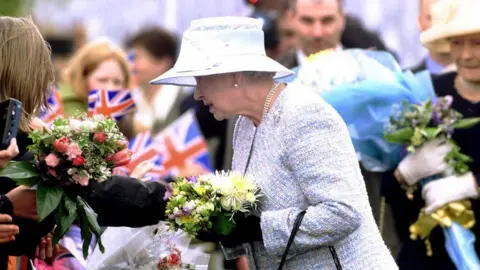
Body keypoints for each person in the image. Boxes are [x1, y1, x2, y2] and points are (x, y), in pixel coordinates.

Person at [151, 16, 397, 269]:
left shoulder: (303, 114)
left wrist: (258, 229)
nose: (197, 94)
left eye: (200, 79)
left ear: (234, 74)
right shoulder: (245, 124)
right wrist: (220, 221)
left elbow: (343, 212)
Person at [0, 15, 169, 268]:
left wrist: (31, 232)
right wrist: (170, 199)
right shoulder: (29, 133)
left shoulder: (24, 128)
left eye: (117, 82)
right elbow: (94, 193)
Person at [382, 0, 480, 269]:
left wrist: (473, 184)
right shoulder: (427, 93)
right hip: (427, 253)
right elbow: (387, 192)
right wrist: (405, 173)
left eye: (477, 43)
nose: (467, 55)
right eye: (458, 43)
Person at [277, 0, 392, 69]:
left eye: (327, 20)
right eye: (307, 21)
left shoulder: (371, 70)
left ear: (343, 18)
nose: (317, 33)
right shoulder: (273, 78)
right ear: (291, 19)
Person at [60, 39, 136, 139]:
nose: (110, 88)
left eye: (117, 82)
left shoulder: (127, 117)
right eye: (102, 80)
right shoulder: (60, 109)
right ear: (82, 78)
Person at [409, 0, 454, 74]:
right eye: (431, 18)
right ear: (420, 23)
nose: (439, 26)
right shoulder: (402, 83)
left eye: (447, 17)